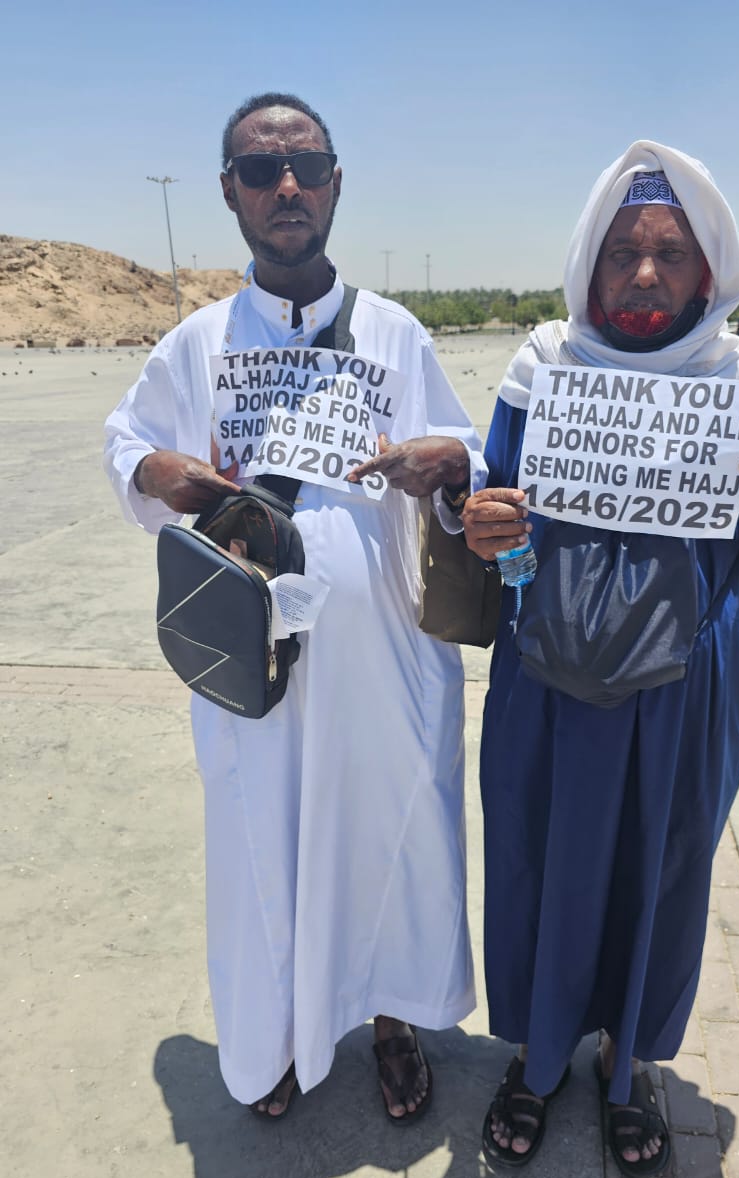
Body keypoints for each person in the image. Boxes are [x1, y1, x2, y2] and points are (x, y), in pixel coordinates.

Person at [104, 92, 484, 1122]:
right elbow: (125, 444)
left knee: (390, 834)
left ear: (334, 185)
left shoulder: (395, 334)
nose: (286, 187)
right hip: (252, 659)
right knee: (259, 848)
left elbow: (469, 454)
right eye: (261, 170)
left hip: (382, 660)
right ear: (228, 191)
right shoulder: (198, 343)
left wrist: (447, 462)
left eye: (307, 167)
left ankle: (394, 1019)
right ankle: (269, 1041)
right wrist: (160, 473)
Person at [462, 141, 739, 1177]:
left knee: (659, 875)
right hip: (547, 681)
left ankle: (628, 1069)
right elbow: (502, 521)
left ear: (707, 270)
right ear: (588, 262)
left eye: (670, 253)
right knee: (538, 863)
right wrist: (488, 535)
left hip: (683, 695)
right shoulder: (541, 371)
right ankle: (535, 1059)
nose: (642, 273)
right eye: (622, 250)